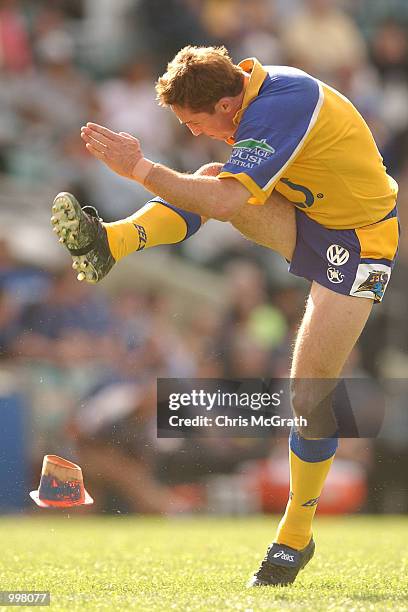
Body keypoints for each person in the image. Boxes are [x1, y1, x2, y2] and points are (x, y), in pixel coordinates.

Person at [50, 45, 399, 586]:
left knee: (310, 391)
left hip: (361, 247)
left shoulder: (282, 101)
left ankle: (295, 535)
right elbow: (219, 195)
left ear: (228, 104)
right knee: (213, 175)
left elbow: (223, 204)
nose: (192, 132)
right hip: (310, 217)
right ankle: (111, 243)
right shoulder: (251, 99)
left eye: (195, 121)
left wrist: (138, 168)